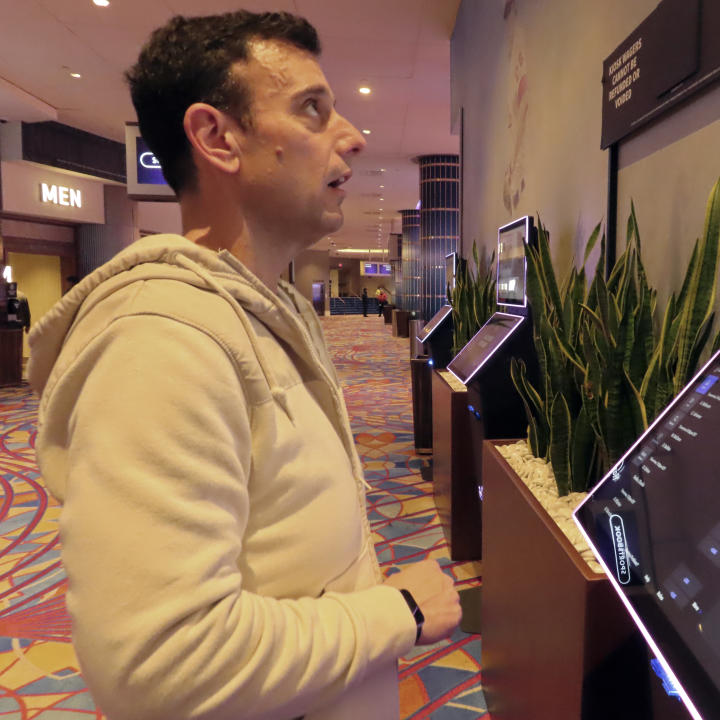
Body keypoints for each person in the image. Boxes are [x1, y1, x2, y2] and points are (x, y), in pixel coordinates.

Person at [26, 11, 460, 720]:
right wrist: (399, 612)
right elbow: (160, 664)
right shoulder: (161, 343)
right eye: (312, 111)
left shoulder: (268, 307)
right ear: (216, 138)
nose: (352, 137)